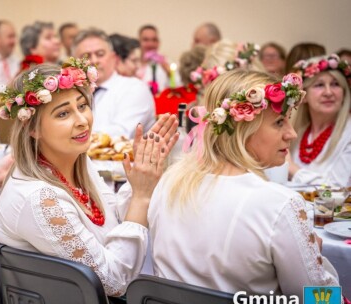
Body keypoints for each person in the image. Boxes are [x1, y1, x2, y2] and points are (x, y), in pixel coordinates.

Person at [0, 59, 179, 297]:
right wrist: (141, 196)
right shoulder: (40, 199)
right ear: (33, 129)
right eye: (63, 113)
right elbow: (114, 282)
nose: (82, 120)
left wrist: (143, 173)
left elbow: (112, 219)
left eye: (82, 106)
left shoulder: (78, 163)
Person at [149, 69, 339, 300]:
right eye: (279, 122)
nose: (291, 134)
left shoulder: (170, 181)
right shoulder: (279, 204)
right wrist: (315, 257)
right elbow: (318, 298)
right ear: (243, 129)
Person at [72, 28, 155, 138]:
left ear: (113, 58)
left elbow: (121, 133)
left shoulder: (134, 88)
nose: (94, 60)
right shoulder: (71, 93)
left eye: (100, 54)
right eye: (86, 56)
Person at [288, 54, 351, 187]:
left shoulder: (348, 132)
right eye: (319, 85)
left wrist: (292, 168)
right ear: (303, 95)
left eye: (335, 84)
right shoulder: (296, 132)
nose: (328, 92)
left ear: (344, 93)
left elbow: (339, 188)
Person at [137, 25, 170, 94]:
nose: (150, 44)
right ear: (138, 42)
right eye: (146, 40)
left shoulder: (166, 63)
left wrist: (169, 72)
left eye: (154, 40)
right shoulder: (132, 65)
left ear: (158, 42)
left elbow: (177, 87)